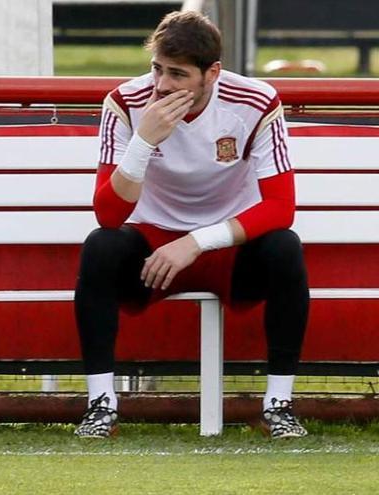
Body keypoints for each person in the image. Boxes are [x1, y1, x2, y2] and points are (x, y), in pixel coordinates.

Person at [73, 11, 309, 439]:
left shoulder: (255, 102)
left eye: (178, 74)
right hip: (151, 248)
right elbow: (109, 214)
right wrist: (144, 141)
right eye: (157, 69)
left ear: (212, 73)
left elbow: (280, 207)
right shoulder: (127, 102)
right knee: (100, 247)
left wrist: (197, 241)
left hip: (226, 245)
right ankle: (100, 404)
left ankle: (279, 404)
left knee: (285, 247)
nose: (162, 85)